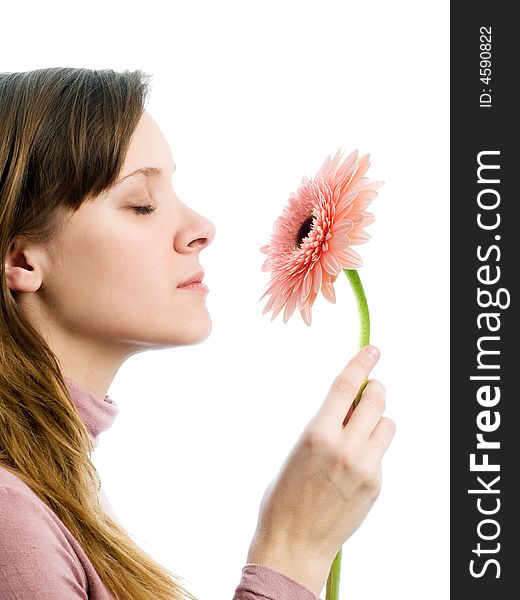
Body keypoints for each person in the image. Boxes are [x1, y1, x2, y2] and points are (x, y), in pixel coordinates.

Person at [0, 67, 395, 600]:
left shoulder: (60, 491)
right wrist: (292, 549)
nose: (202, 227)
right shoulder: (9, 517)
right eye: (141, 204)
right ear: (21, 259)